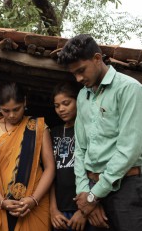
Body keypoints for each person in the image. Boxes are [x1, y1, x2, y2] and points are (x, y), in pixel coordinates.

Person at [57, 34, 142, 230]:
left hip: (125, 188)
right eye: (74, 74)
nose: (79, 78)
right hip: (92, 188)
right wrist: (85, 195)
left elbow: (128, 151)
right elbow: (80, 149)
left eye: (81, 70)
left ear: (97, 59)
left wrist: (94, 196)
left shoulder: (130, 90)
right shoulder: (83, 95)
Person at [0, 82, 55, 231]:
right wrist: (1, 201)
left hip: (35, 204)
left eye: (16, 109)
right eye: (6, 111)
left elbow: (50, 168)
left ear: (24, 102)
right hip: (1, 204)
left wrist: (34, 200)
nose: (12, 115)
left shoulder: (37, 127)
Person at [50, 81, 93, 231]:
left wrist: (84, 211)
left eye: (66, 103)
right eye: (57, 106)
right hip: (60, 213)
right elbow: (49, 175)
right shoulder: (53, 133)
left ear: (78, 101)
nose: (61, 109)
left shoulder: (89, 130)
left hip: (88, 209)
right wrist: (53, 210)